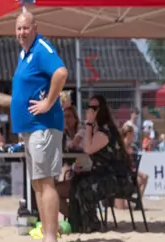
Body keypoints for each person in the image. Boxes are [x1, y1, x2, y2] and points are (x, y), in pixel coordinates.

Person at [10, 11, 68, 242]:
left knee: (45, 182)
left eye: (25, 28)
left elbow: (61, 73)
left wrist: (48, 102)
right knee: (36, 183)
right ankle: (46, 233)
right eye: (19, 29)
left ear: (35, 27)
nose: (22, 32)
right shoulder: (25, 53)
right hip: (30, 129)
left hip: (43, 126)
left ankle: (51, 237)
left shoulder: (41, 48)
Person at [55, 95, 135, 233]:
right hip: (103, 173)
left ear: (102, 110)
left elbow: (87, 148)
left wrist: (88, 124)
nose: (90, 111)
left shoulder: (105, 130)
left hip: (117, 179)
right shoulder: (99, 129)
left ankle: (89, 224)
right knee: (69, 184)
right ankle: (77, 221)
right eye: (89, 107)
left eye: (94, 108)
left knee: (83, 187)